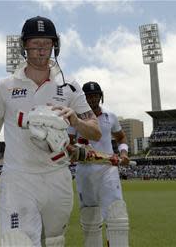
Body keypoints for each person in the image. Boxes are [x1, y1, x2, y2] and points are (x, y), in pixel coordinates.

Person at [0, 16, 101, 247]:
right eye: (34, 44)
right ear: (23, 46)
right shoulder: (4, 87)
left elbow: (95, 132)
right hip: (18, 178)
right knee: (17, 241)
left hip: (57, 178)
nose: (40, 51)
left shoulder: (70, 87)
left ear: (55, 46)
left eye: (46, 44)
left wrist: (76, 121)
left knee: (54, 241)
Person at [68, 81, 130, 247]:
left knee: (116, 213)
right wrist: (75, 151)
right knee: (90, 216)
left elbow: (121, 138)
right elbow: (68, 143)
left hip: (107, 169)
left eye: (95, 95)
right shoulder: (75, 118)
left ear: (100, 97)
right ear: (83, 98)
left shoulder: (110, 116)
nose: (92, 99)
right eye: (88, 96)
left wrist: (123, 153)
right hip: (85, 171)